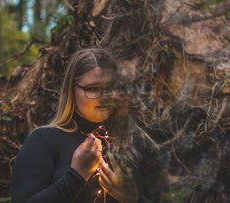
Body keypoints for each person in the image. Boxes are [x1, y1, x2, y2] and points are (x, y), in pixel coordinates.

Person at [11, 47, 158, 203]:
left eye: (110, 88)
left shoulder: (137, 141)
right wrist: (76, 176)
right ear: (72, 90)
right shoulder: (43, 141)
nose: (104, 97)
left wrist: (134, 199)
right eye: (93, 89)